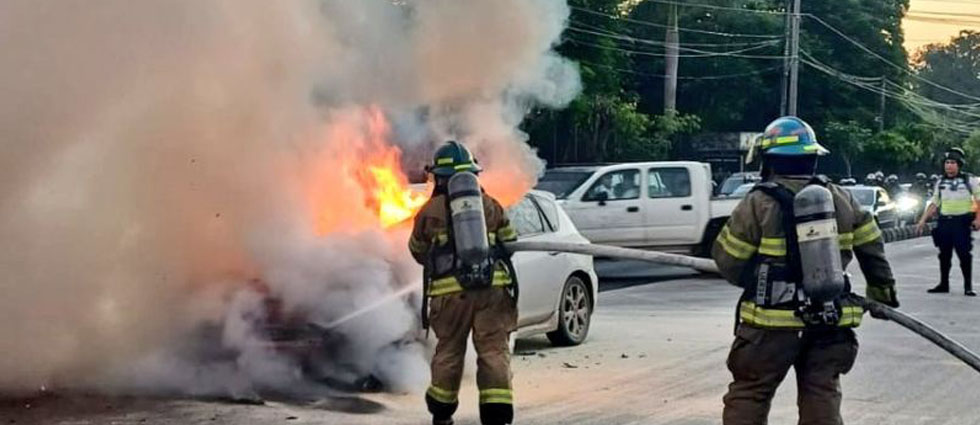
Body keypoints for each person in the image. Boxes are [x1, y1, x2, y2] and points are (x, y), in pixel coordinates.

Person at [713, 116, 899, 425]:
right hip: (828, 319)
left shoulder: (757, 203)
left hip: (770, 326)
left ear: (769, 160)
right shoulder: (843, 198)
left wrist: (758, 281)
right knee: (821, 393)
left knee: (751, 392)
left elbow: (729, 261)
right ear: (813, 158)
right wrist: (882, 295)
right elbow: (873, 251)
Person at [409, 141, 519, 425]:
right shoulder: (490, 205)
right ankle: (496, 416)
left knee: (449, 351)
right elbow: (510, 243)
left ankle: (442, 414)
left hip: (450, 297)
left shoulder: (429, 211)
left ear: (439, 178)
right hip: (492, 291)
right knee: (493, 350)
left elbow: (417, 250)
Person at [916, 147, 980, 297]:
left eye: (952, 163)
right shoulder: (940, 182)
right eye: (947, 162)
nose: (949, 166)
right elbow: (934, 203)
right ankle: (943, 284)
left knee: (964, 254)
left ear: (959, 165)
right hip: (945, 222)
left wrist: (978, 219)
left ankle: (968, 286)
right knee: (944, 255)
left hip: (962, 222)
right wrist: (922, 220)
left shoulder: (969, 181)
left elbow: (979, 201)